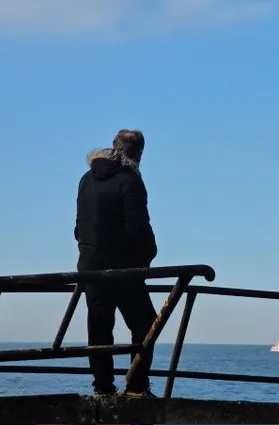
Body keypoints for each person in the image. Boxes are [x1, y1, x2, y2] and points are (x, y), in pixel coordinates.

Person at [74, 129, 158, 397]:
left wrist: (87, 253)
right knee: (146, 325)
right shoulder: (130, 179)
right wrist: (147, 256)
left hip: (90, 267)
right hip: (123, 269)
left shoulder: (86, 180)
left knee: (99, 327)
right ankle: (136, 386)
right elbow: (138, 228)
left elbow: (79, 228)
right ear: (138, 153)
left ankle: (102, 389)